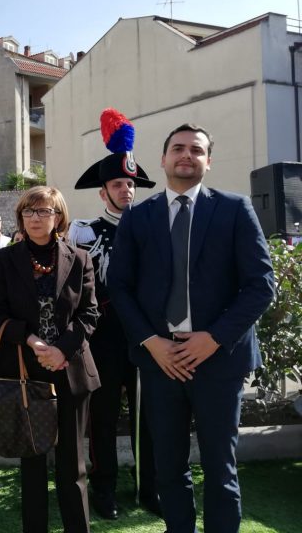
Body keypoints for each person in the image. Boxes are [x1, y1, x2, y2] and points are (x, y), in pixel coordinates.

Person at [108, 123, 275, 533]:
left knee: (221, 467)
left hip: (219, 360)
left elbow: (261, 284)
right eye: (178, 148)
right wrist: (152, 343)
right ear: (163, 159)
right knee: (169, 465)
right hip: (160, 362)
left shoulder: (235, 209)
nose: (187, 155)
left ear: (208, 162)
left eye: (196, 150)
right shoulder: (138, 216)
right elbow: (119, 286)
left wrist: (213, 338)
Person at [0, 186, 99, 533]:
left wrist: (61, 349)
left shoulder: (79, 258)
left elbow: (90, 314)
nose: (36, 218)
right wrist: (34, 342)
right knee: (32, 463)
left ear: (58, 216)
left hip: (71, 369)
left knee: (73, 464)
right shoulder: (6, 259)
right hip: (25, 370)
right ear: (20, 217)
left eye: (44, 211)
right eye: (29, 212)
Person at [68, 108, 159, 519]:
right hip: (102, 340)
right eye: (119, 184)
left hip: (146, 339)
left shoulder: (153, 229)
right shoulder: (85, 232)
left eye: (131, 184)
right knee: (101, 421)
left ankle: (148, 488)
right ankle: (103, 490)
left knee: (148, 419)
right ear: (103, 192)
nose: (127, 191)